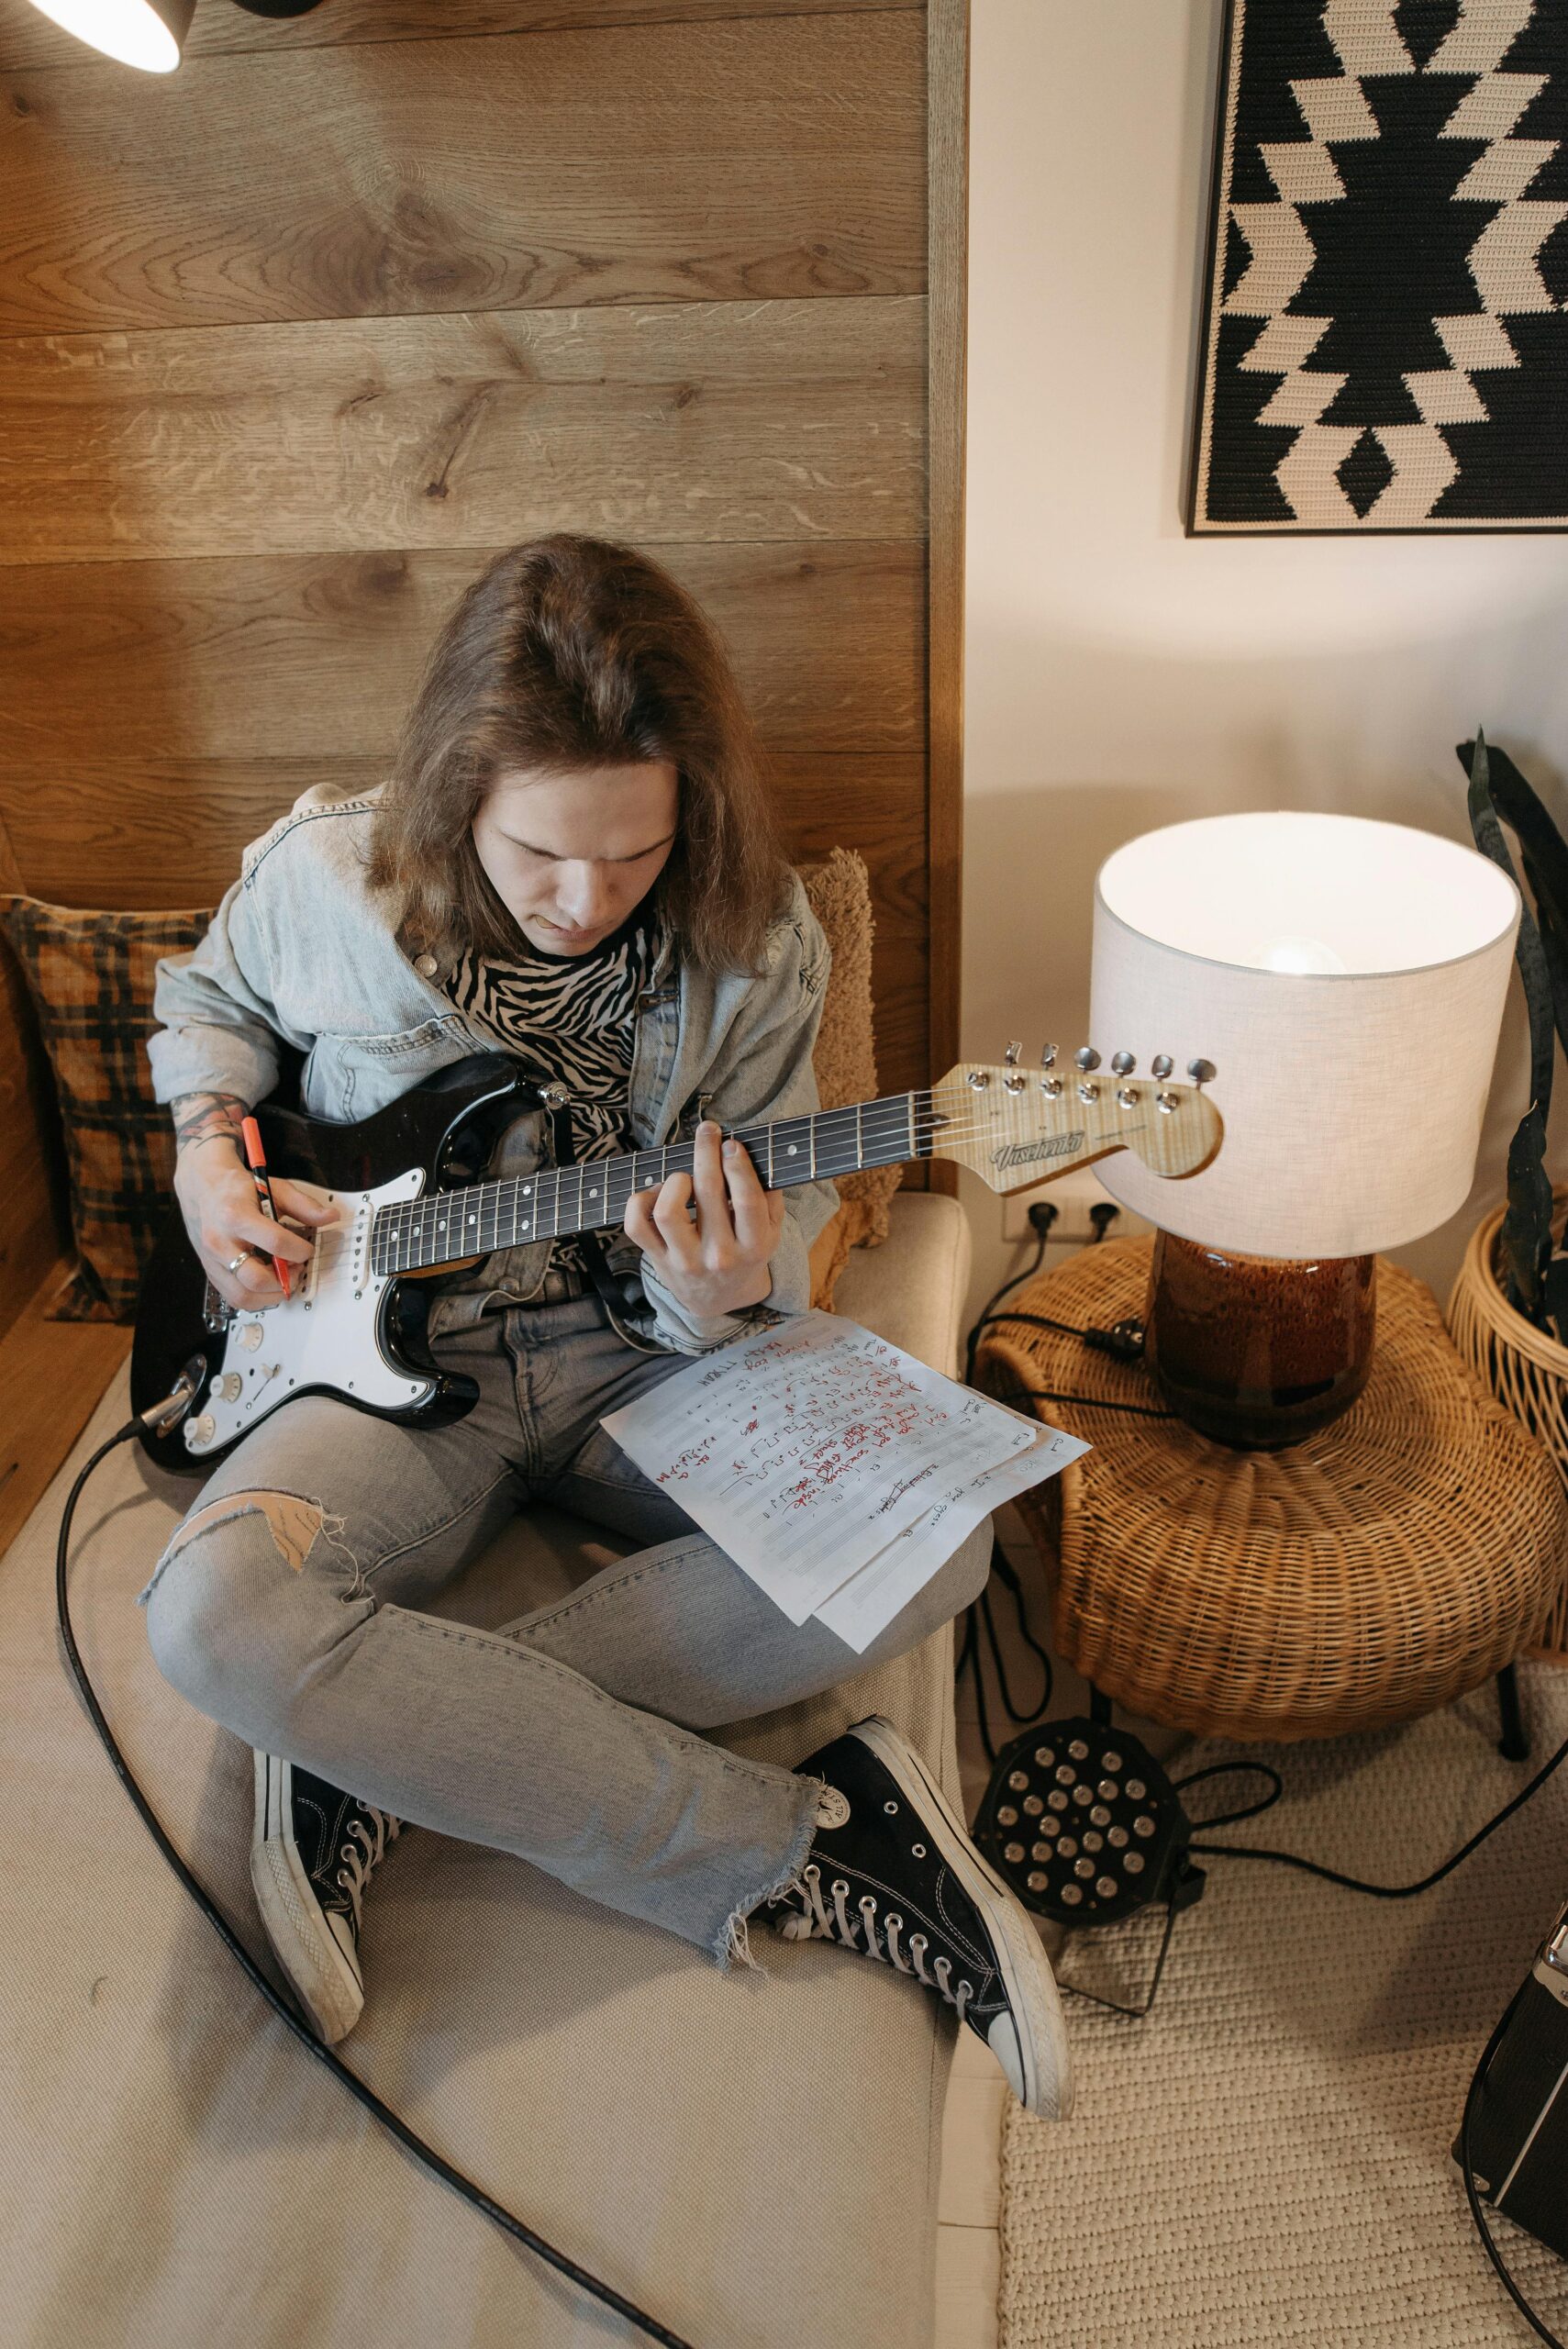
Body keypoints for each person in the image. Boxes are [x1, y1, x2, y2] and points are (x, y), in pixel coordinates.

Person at [138, 532, 1073, 2120]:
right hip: (375, 1363)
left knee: (944, 1540)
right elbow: (208, 1007)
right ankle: (802, 1837)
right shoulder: (325, 879)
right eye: (539, 855)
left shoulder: (760, 941)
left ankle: (373, 1745)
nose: (584, 902)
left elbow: (771, 1227)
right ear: (456, 797)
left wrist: (725, 1292)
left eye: (635, 855)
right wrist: (207, 1156)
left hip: (634, 1356)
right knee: (215, 1618)